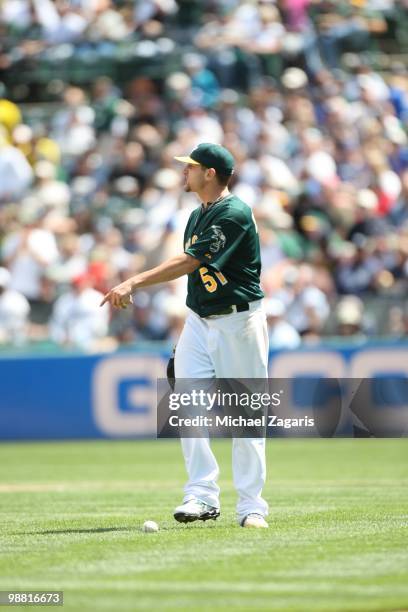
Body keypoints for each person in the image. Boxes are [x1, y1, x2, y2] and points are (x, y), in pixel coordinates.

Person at [101, 143, 269, 529]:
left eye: (191, 166)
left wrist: (134, 281)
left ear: (210, 173)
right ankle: (201, 495)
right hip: (200, 318)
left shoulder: (235, 212)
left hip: (238, 321)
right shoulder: (198, 214)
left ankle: (251, 506)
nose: (184, 171)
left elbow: (192, 261)